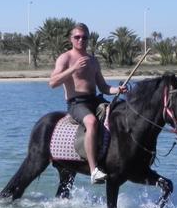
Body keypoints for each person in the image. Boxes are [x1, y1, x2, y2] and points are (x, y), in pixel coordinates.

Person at [49, 23, 127, 184]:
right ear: (71, 39)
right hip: (76, 103)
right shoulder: (65, 58)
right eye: (77, 37)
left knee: (120, 114)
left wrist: (118, 89)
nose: (81, 40)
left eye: (84, 37)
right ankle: (94, 170)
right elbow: (53, 83)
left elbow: (104, 87)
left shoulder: (93, 60)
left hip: (95, 100)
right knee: (91, 122)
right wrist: (73, 68)